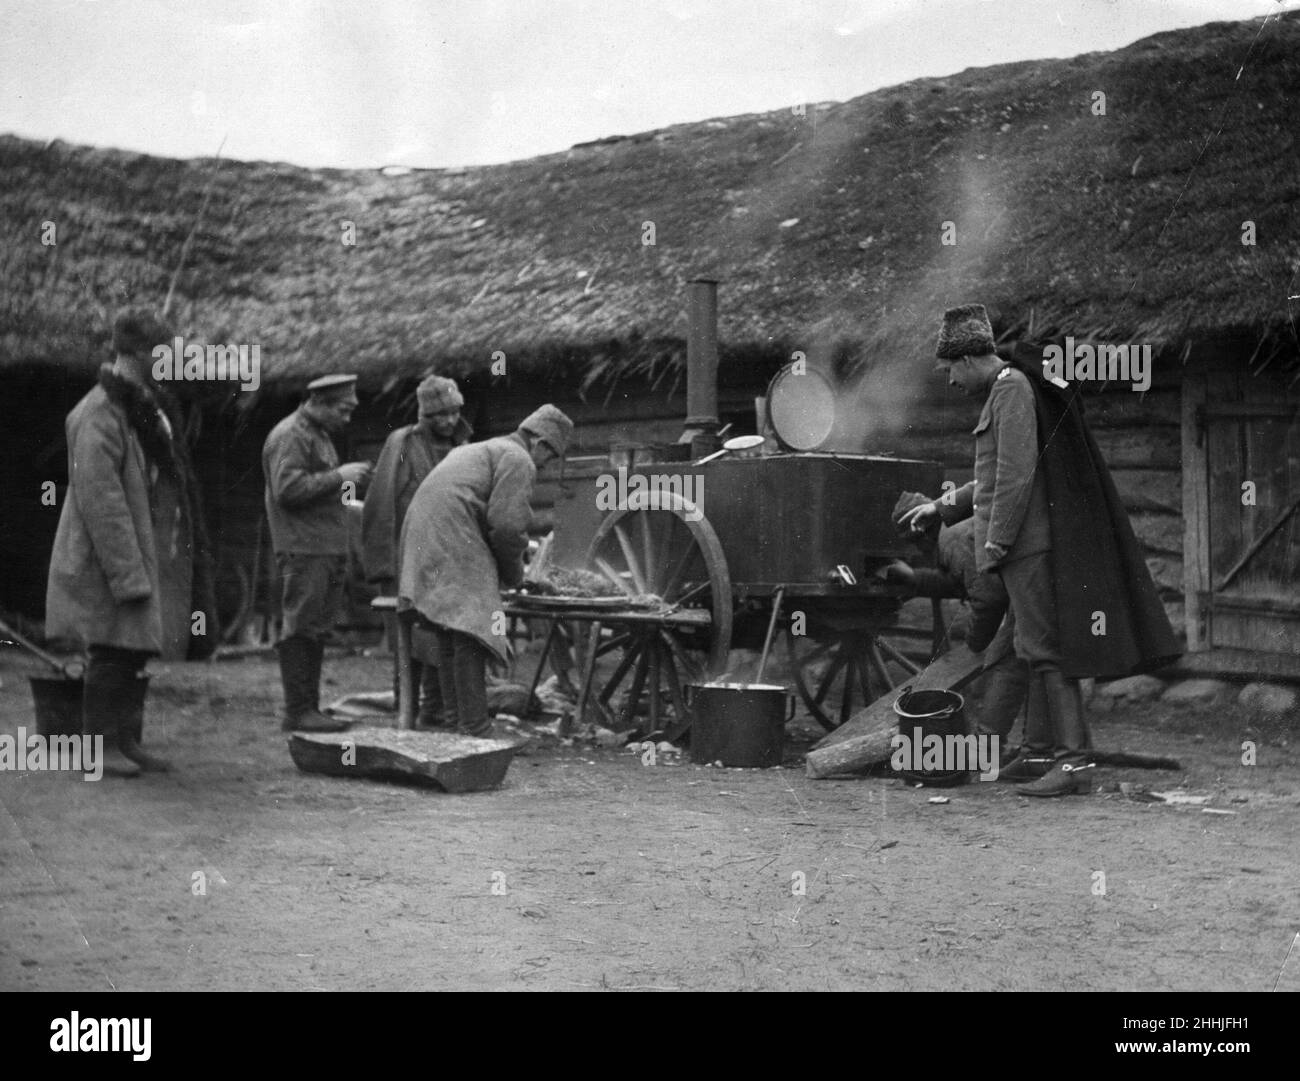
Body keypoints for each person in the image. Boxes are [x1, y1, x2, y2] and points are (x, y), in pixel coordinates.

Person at [900, 304, 1179, 796]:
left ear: (966, 360)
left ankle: (1073, 765)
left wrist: (996, 542)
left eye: (948, 371)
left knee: (1046, 652)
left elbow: (1014, 477)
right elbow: (990, 478)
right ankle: (1040, 753)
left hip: (1024, 547)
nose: (949, 382)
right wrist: (942, 508)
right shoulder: (1006, 389)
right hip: (1020, 545)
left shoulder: (1009, 390)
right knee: (1032, 650)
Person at [45, 309, 212, 777]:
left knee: (133, 650)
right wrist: (127, 573)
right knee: (111, 650)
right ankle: (98, 751)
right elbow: (102, 503)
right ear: (138, 354)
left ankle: (123, 740)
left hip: (138, 553)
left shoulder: (136, 407)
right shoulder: (97, 413)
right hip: (106, 558)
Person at [399, 404, 573, 739]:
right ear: (539, 443)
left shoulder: (483, 448)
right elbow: (507, 527)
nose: (545, 466)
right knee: (471, 631)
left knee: (451, 631)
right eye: (549, 458)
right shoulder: (518, 458)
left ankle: (457, 726)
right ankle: (476, 728)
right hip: (450, 534)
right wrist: (516, 577)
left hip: (424, 536)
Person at [263, 373, 372, 732]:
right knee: (302, 626)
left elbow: (317, 491)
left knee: (316, 627)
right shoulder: (291, 435)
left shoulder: (318, 435)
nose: (347, 419)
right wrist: (341, 476)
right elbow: (287, 489)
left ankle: (309, 708)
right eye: (343, 410)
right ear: (320, 403)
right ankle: (298, 711)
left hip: (324, 545)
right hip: (304, 547)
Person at [361, 374, 472, 727]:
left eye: (455, 412)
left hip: (445, 558)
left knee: (440, 633)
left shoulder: (462, 447)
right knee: (407, 636)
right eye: (441, 415)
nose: (450, 421)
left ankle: (435, 707)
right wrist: (383, 564)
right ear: (426, 415)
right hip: (405, 555)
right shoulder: (403, 444)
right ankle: (404, 707)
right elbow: (379, 503)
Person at [886, 493, 1032, 746]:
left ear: (922, 533)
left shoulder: (952, 541)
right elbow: (962, 583)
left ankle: (986, 746)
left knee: (1006, 661)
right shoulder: (956, 532)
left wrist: (975, 641)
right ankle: (1036, 749)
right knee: (1034, 665)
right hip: (1029, 587)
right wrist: (914, 578)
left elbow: (988, 598)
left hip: (1026, 593)